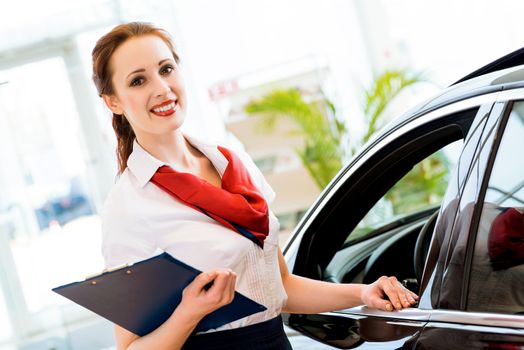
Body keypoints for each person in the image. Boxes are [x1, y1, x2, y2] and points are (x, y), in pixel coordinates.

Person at [92, 21, 418, 350]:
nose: (162, 88)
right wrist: (190, 313)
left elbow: (281, 288)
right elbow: (130, 347)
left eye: (166, 69)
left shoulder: (235, 165)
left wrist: (362, 293)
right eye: (138, 80)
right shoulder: (129, 206)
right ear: (113, 102)